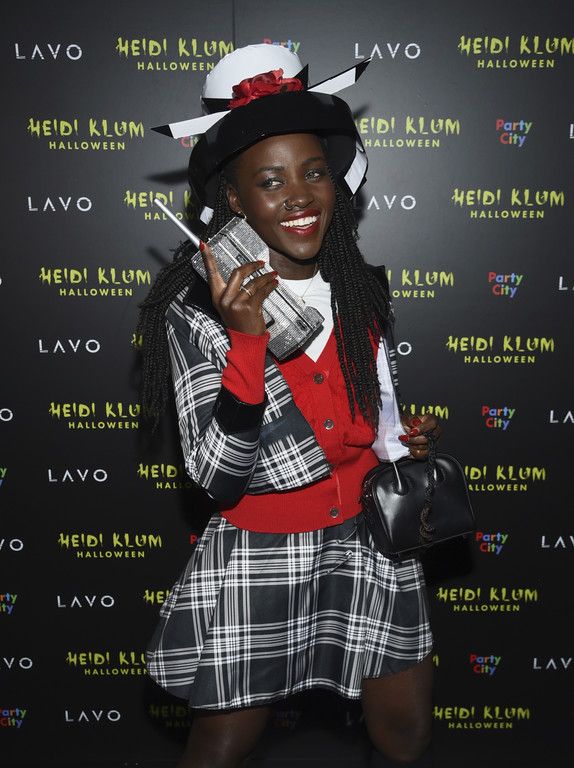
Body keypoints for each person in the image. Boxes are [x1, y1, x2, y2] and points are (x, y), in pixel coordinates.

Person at [138, 44, 440, 768]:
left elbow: (373, 412)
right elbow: (216, 475)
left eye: (313, 172)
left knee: (404, 732)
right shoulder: (195, 311)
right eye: (270, 181)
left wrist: (399, 440)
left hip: (372, 539)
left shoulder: (359, 285)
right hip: (264, 550)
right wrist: (246, 343)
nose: (300, 196)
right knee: (222, 747)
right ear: (235, 199)